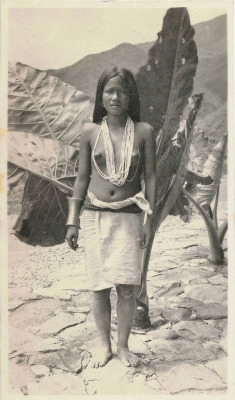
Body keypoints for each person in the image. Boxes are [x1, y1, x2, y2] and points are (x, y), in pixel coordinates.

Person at [66, 67, 156, 368]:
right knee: (100, 286)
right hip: (94, 217)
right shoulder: (90, 132)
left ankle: (123, 345)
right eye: (110, 91)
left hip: (130, 216)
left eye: (123, 91)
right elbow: (82, 178)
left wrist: (149, 221)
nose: (116, 97)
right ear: (101, 95)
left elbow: (151, 178)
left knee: (128, 288)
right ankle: (104, 345)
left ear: (131, 97)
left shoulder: (144, 131)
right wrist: (72, 220)